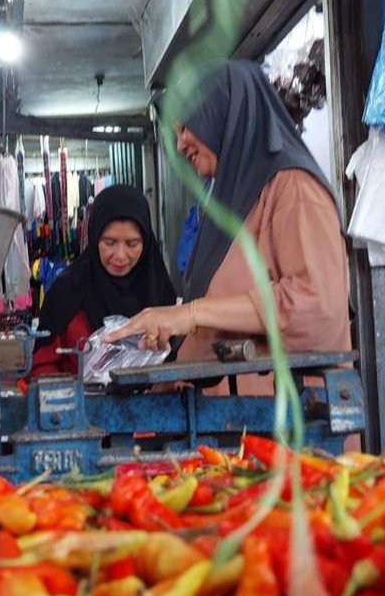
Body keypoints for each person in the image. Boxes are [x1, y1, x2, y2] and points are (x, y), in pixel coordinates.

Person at [107, 60, 350, 395]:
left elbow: (316, 306)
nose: (180, 144)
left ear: (223, 114)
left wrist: (191, 315)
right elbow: (229, 310)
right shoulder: (230, 201)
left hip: (288, 428)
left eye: (186, 127)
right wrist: (175, 335)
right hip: (232, 423)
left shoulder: (293, 188)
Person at [29, 184, 178, 378]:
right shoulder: (67, 292)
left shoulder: (160, 291)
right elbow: (43, 367)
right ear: (94, 237)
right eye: (109, 242)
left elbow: (176, 362)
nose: (120, 255)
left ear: (146, 242)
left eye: (132, 244)